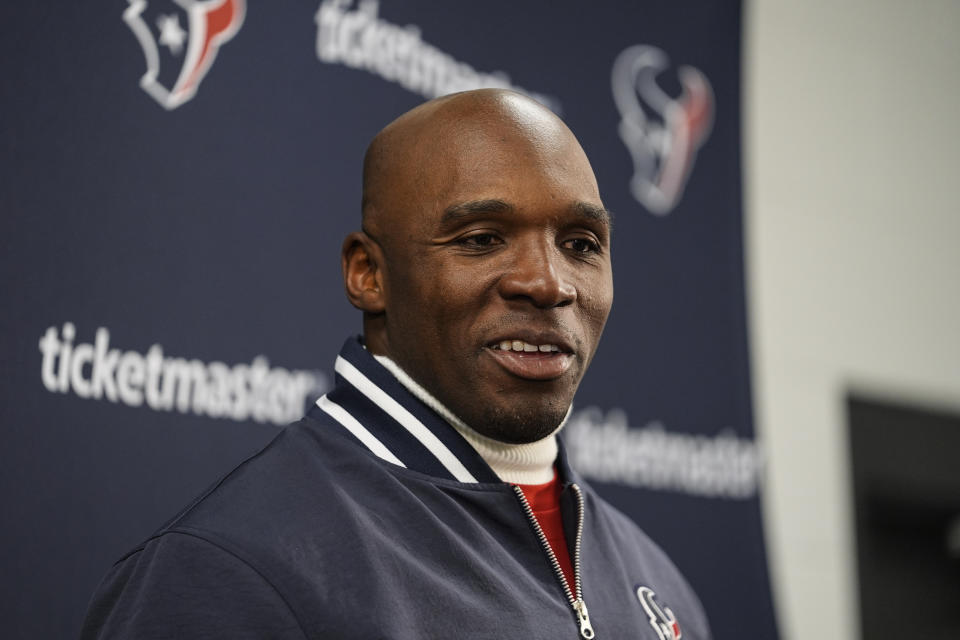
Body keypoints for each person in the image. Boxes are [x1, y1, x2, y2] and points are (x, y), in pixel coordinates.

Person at [81, 89, 711, 639]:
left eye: (580, 245)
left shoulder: (655, 579)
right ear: (369, 274)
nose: (548, 284)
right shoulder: (229, 570)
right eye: (481, 239)